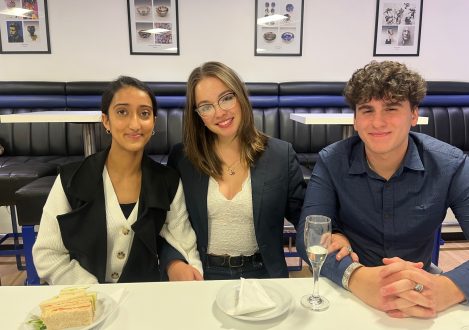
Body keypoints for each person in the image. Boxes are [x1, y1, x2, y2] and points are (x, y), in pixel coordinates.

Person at [297, 60, 469, 318]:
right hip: (349, 288)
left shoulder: (451, 164)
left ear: (414, 114)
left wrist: (449, 287)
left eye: (391, 108)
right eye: (367, 110)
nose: (378, 122)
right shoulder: (332, 160)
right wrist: (357, 276)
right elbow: (307, 236)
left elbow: (442, 288)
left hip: (419, 289)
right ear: (355, 119)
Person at [167, 61, 355, 280]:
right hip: (202, 275)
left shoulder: (279, 154)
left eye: (226, 98)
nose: (219, 112)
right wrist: (173, 261)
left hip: (264, 273)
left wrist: (336, 234)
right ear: (197, 114)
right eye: (206, 106)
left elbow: (306, 215)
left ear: (240, 97)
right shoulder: (182, 158)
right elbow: (170, 223)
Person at [33, 76, 203, 284]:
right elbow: (47, 253)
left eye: (144, 114)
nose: (135, 124)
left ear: (154, 122)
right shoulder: (71, 180)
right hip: (86, 303)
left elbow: (184, 244)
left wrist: (192, 276)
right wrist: (95, 294)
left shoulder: (168, 181)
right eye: (122, 112)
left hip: (144, 299)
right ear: (106, 120)